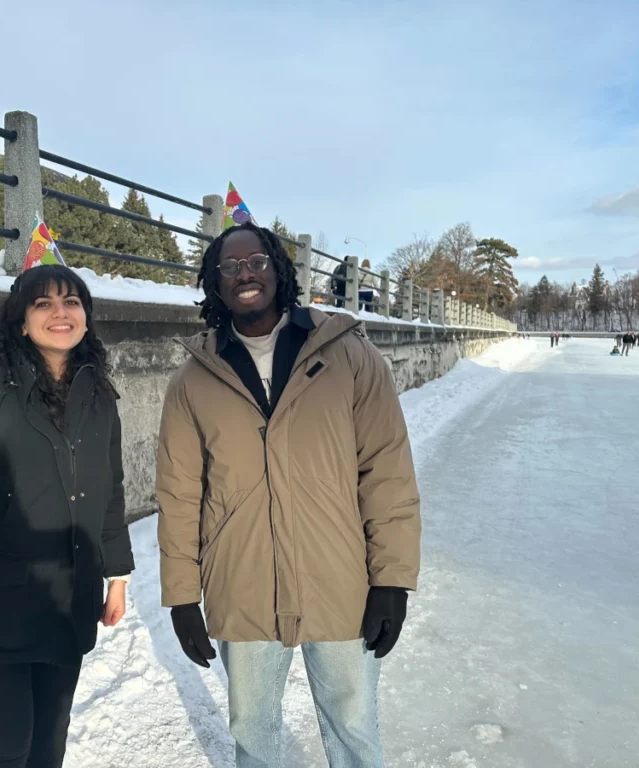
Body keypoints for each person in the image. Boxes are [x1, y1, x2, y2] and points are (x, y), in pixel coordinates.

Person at [156, 222, 421, 767]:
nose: (245, 274)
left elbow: (386, 472)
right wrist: (182, 596)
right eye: (230, 267)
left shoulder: (349, 356)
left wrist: (391, 579)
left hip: (340, 576)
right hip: (243, 579)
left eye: (256, 261)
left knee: (352, 724)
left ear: (278, 269)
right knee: (252, 731)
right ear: (214, 281)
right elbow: (180, 494)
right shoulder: (193, 380)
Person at [0, 264, 135, 768]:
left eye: (71, 302)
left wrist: (117, 575)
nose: (60, 313)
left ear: (87, 315)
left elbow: (111, 491)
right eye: (43, 304)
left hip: (68, 605)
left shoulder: (98, 394)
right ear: (21, 321)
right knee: (5, 750)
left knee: (49, 744)